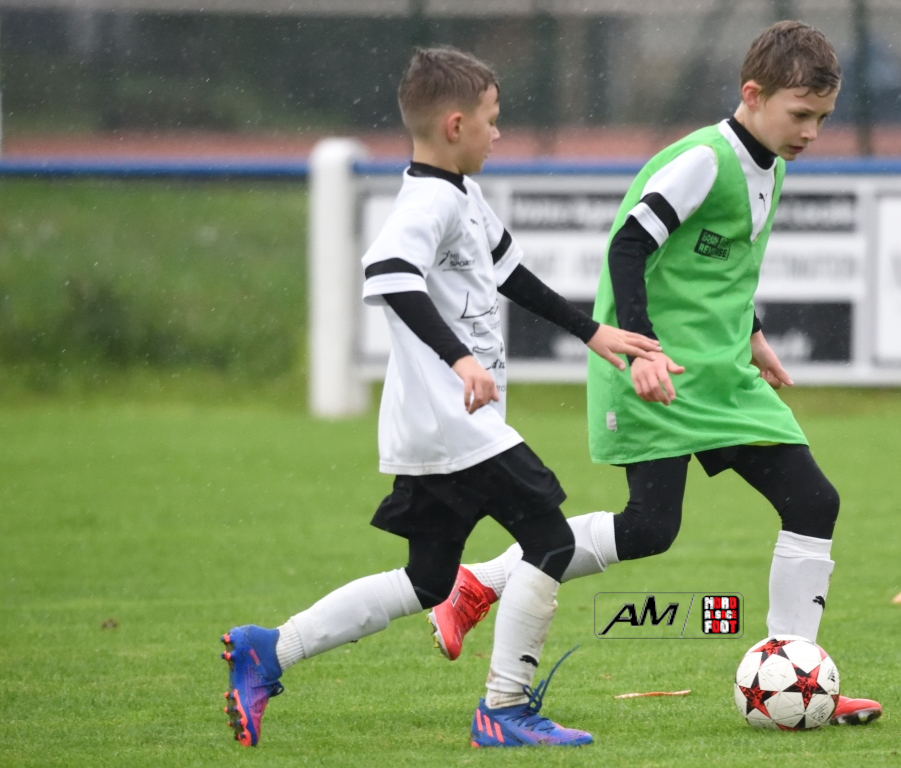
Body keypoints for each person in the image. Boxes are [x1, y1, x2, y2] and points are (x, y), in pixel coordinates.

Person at [428, 21, 883, 726]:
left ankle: (796, 674)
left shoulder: (773, 164)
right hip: (655, 368)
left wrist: (753, 334)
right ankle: (481, 582)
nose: (811, 132)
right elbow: (630, 244)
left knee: (813, 503)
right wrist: (641, 352)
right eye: (800, 114)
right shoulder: (705, 160)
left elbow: (718, 269)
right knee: (649, 529)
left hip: (720, 376)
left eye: (822, 118)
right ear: (752, 94)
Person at [219, 47, 661, 749]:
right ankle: (504, 710)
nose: (498, 132)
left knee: (428, 580)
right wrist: (459, 358)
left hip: (437, 427)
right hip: (456, 424)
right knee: (549, 539)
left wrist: (591, 331)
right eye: (492, 119)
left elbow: (512, 275)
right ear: (456, 125)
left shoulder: (461, 194)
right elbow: (390, 273)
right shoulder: (427, 199)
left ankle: (269, 649)